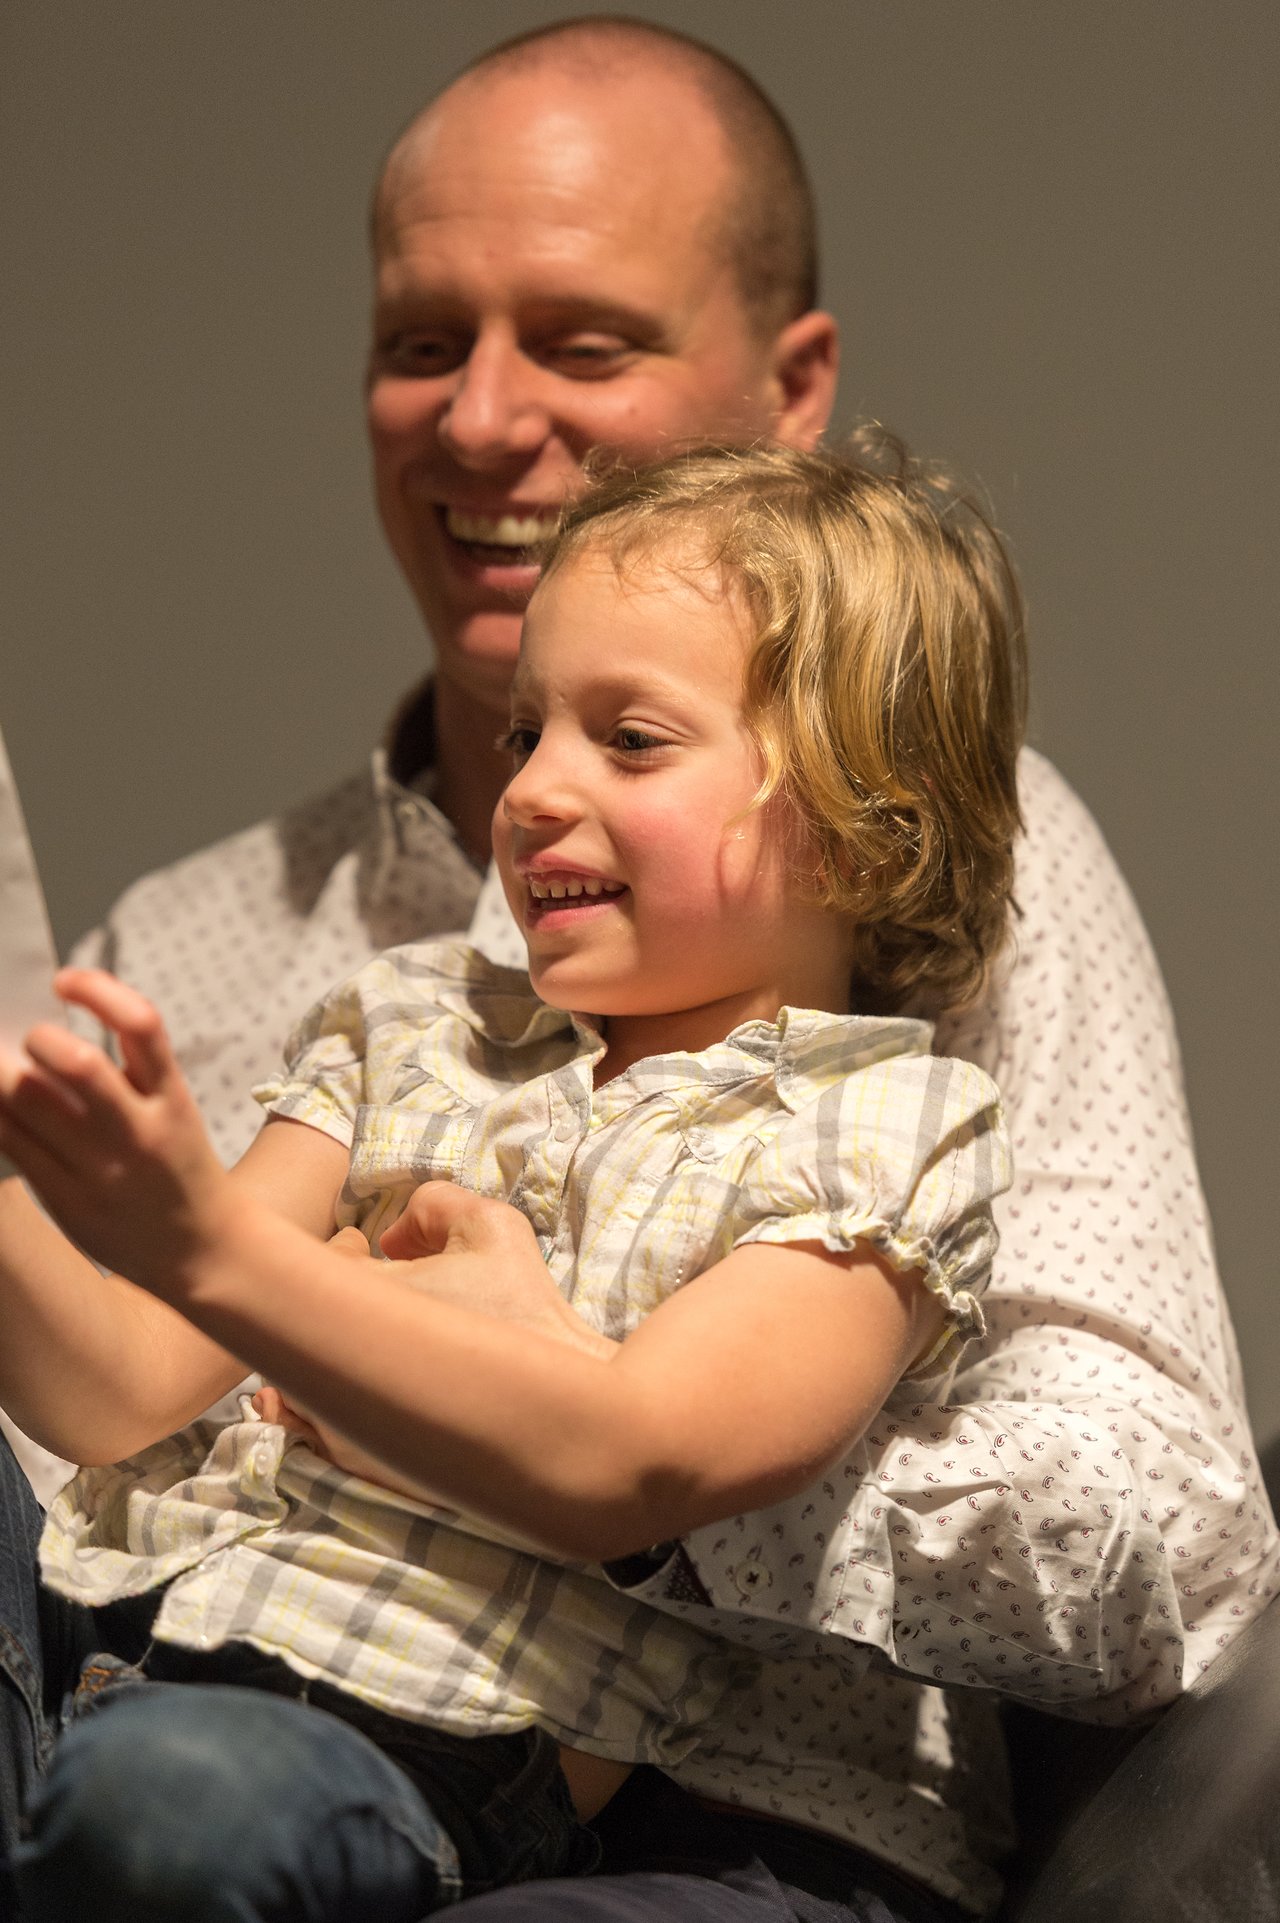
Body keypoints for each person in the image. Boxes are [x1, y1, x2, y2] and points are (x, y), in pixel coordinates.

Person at [0, 9, 1273, 1919]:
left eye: (584, 341)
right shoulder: (298, 975)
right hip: (169, 1678)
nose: (486, 419)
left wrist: (554, 1406)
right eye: (424, 344)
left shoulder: (915, 975)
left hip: (670, 1811)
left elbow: (1164, 1550)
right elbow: (121, 1402)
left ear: (788, 386)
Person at [0, 436, 1023, 1922]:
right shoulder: (415, 1015)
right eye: (529, 725)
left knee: (175, 1804)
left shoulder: (885, 1122)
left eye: (633, 740)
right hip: (94, 1627)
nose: (534, 789)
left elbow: (632, 1461)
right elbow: (116, 1391)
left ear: (870, 815)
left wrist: (214, 1247)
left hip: (403, 1749)